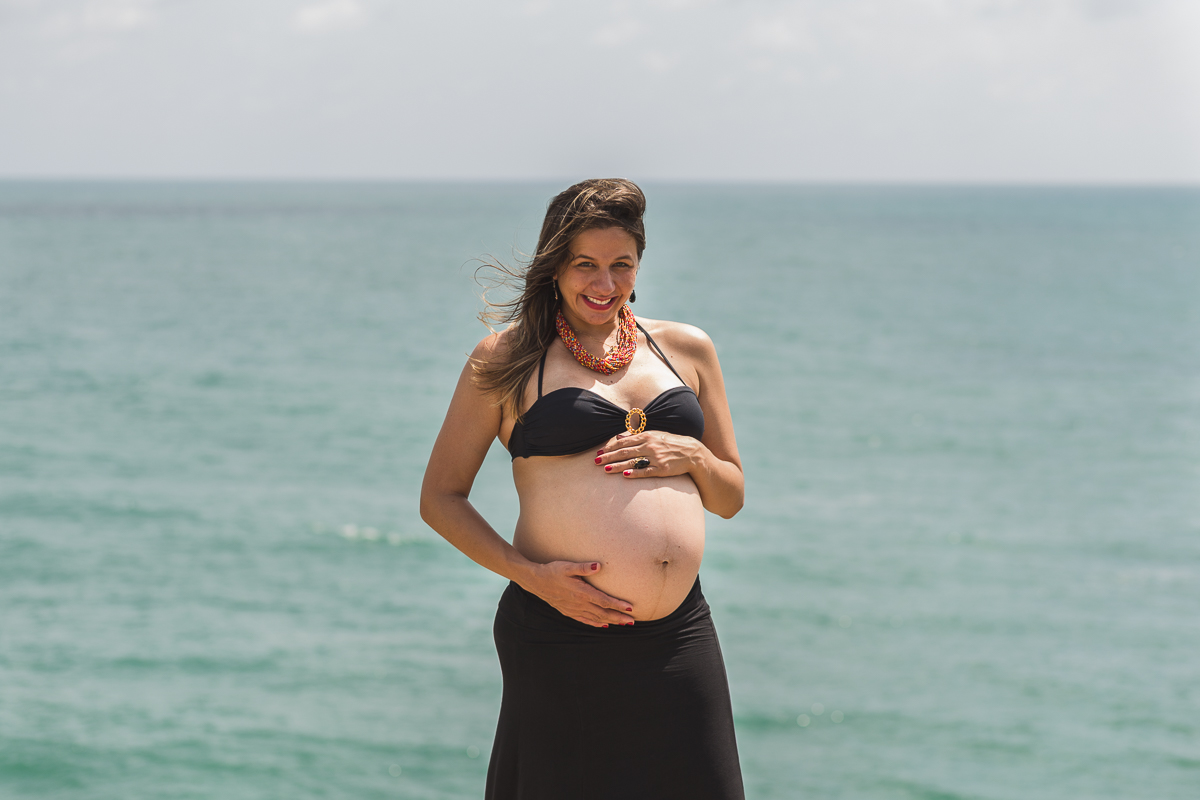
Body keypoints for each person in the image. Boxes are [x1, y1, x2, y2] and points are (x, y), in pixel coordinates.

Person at [420, 178, 745, 799]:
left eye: (621, 265)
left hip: (679, 632)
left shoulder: (687, 349)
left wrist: (693, 455)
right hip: (560, 628)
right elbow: (440, 497)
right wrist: (529, 574)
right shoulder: (506, 359)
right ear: (554, 266)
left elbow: (729, 497)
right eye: (585, 265)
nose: (604, 284)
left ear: (640, 264)